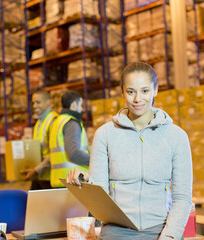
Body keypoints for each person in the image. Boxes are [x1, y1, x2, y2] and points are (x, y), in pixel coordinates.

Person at [66, 62, 192, 240]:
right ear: (123, 92)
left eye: (145, 91)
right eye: (131, 91)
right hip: (116, 232)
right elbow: (100, 194)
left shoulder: (176, 136)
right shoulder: (105, 134)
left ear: (155, 90)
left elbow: (182, 197)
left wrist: (169, 237)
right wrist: (85, 181)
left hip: (160, 230)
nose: (137, 99)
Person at [49, 90, 90, 188]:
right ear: (74, 105)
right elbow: (74, 153)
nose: (82, 109)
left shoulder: (57, 122)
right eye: (81, 105)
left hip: (59, 180)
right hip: (73, 181)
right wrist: (96, 161)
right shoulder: (71, 123)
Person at [21, 90, 58, 190]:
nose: (34, 106)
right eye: (33, 103)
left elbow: (55, 152)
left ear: (48, 102)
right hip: (39, 175)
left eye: (38, 102)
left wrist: (37, 170)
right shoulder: (39, 123)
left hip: (50, 176)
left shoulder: (54, 122)